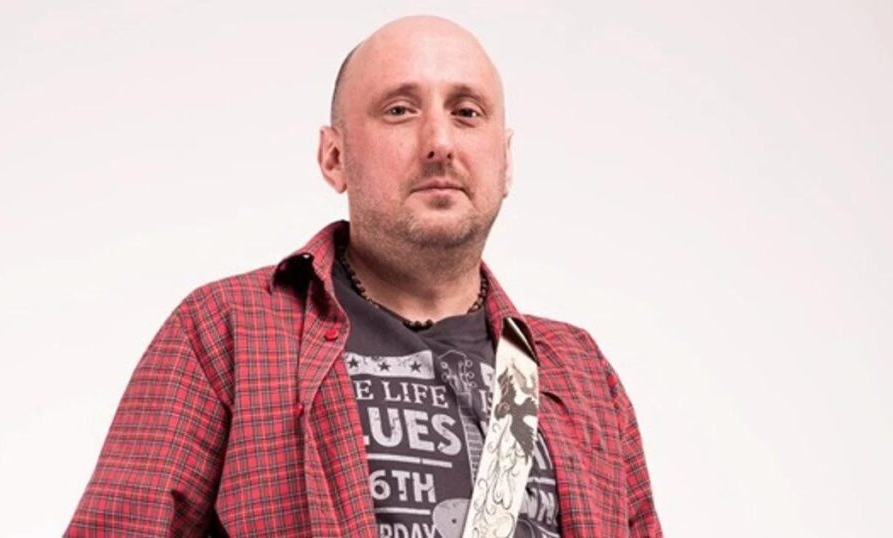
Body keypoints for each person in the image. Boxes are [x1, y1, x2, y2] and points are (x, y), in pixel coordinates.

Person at [65, 15, 663, 538]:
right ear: (334, 158)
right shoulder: (227, 332)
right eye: (399, 110)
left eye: (467, 113)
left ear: (505, 162)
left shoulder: (581, 373)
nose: (439, 142)